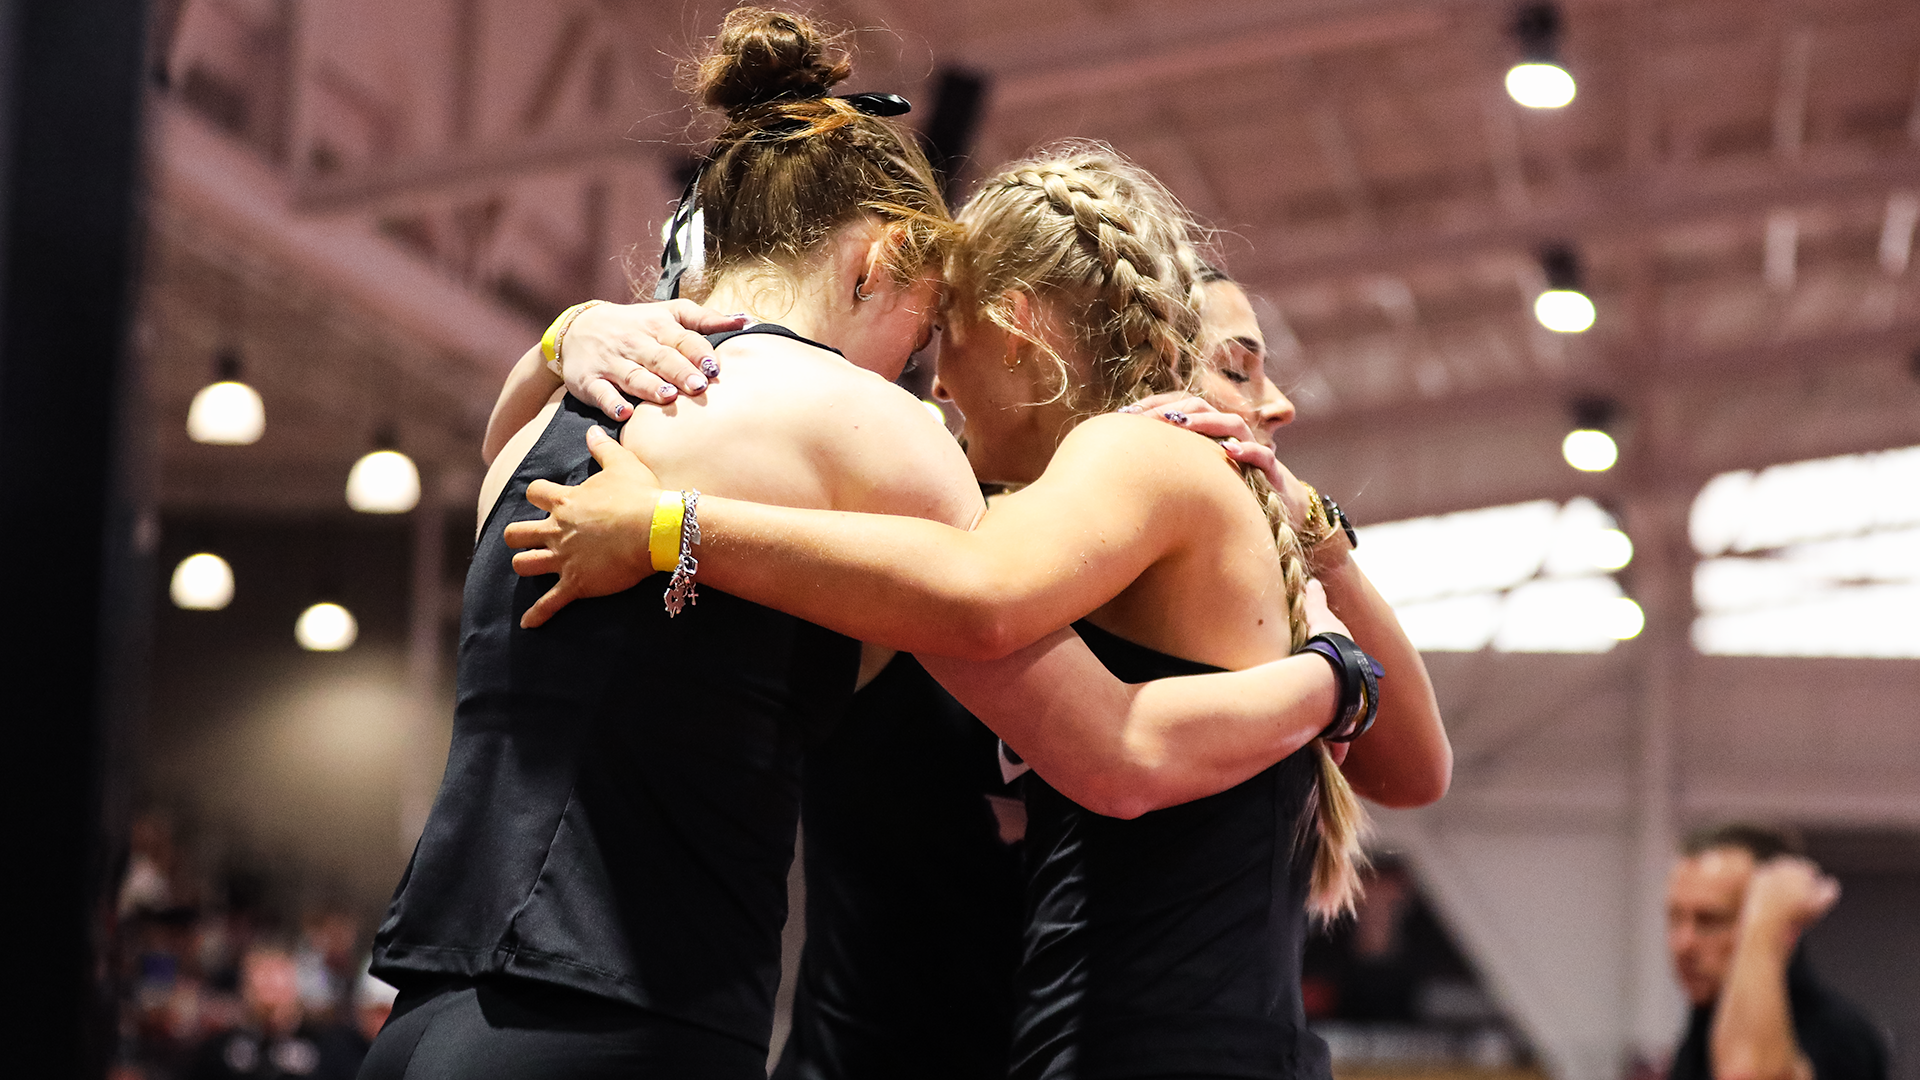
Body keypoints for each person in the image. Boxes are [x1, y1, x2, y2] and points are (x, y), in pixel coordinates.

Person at [368, 10, 1390, 1079]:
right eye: (927, 327)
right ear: (887, 259)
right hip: (615, 1021)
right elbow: (1105, 738)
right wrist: (1330, 680)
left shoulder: (546, 415)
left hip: (424, 1005)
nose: (926, 376)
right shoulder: (869, 431)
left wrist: (566, 329)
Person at [1666, 825, 1887, 1080]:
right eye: (1675, 918)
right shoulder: (1703, 1023)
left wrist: (1767, 924)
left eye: (1711, 920)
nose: (1683, 944)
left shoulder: (1838, 1035)